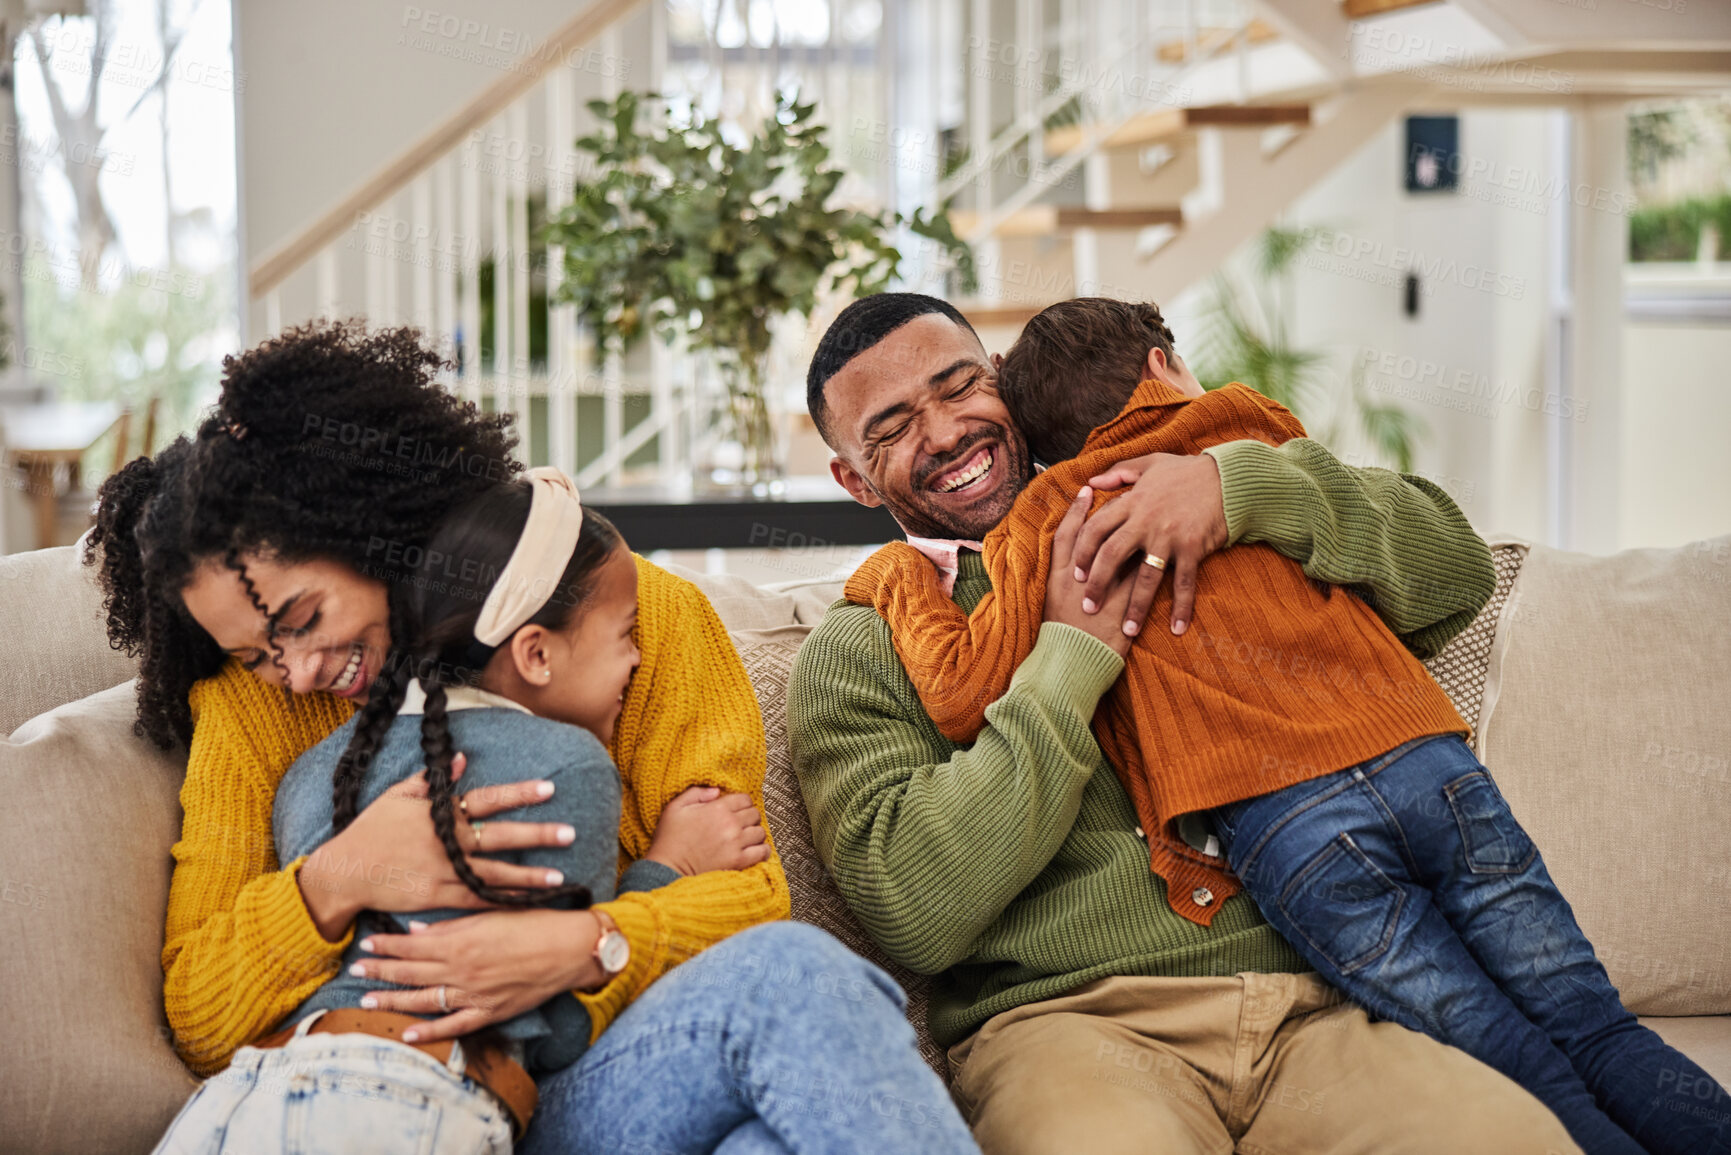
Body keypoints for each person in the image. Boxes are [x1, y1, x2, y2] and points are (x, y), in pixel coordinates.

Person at [836, 295, 1730, 1155]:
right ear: (850, 477)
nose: (944, 432)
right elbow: (919, 910)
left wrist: (1238, 488)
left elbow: (1454, 570)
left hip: (1319, 1007)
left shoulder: (1219, 460)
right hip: (1075, 1028)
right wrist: (1071, 653)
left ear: (999, 375)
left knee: (1530, 1135)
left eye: (957, 388)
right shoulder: (873, 641)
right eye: (891, 429)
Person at [91, 321, 978, 1154]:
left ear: (370, 532)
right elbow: (201, 1011)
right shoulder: (253, 712)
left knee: (781, 1033)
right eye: (256, 655)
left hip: (588, 1072)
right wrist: (342, 873)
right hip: (386, 1091)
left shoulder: (631, 615)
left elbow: (748, 897)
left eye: (304, 617)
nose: (298, 669)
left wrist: (584, 943)